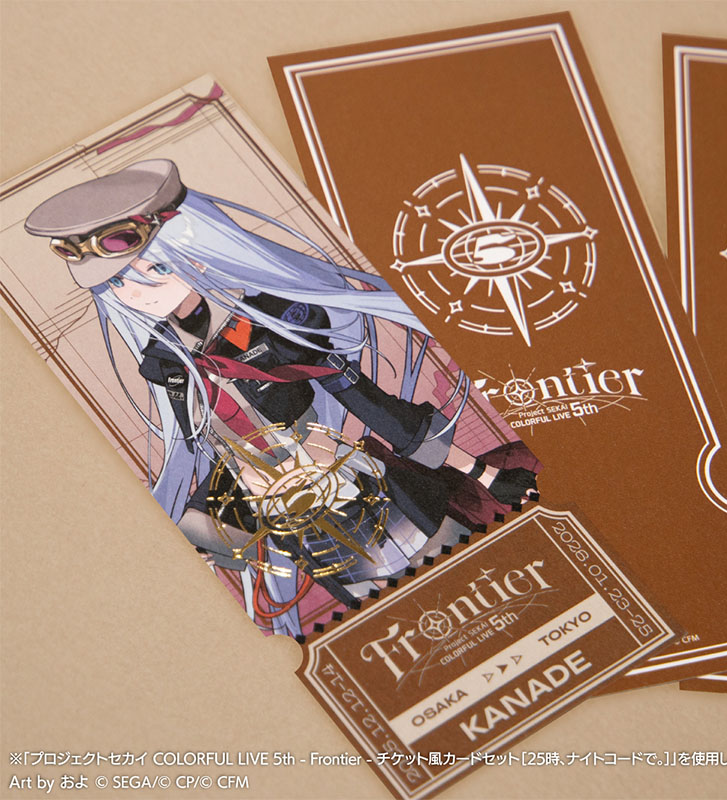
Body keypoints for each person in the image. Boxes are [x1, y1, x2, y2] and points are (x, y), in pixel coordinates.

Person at [26, 159, 540, 637]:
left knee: (478, 581)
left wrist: (483, 474)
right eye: (118, 282)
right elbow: (203, 443)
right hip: (284, 512)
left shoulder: (277, 322)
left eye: (155, 269)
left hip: (353, 481)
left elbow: (367, 401)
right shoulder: (165, 362)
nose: (135, 292)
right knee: (387, 626)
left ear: (198, 255)